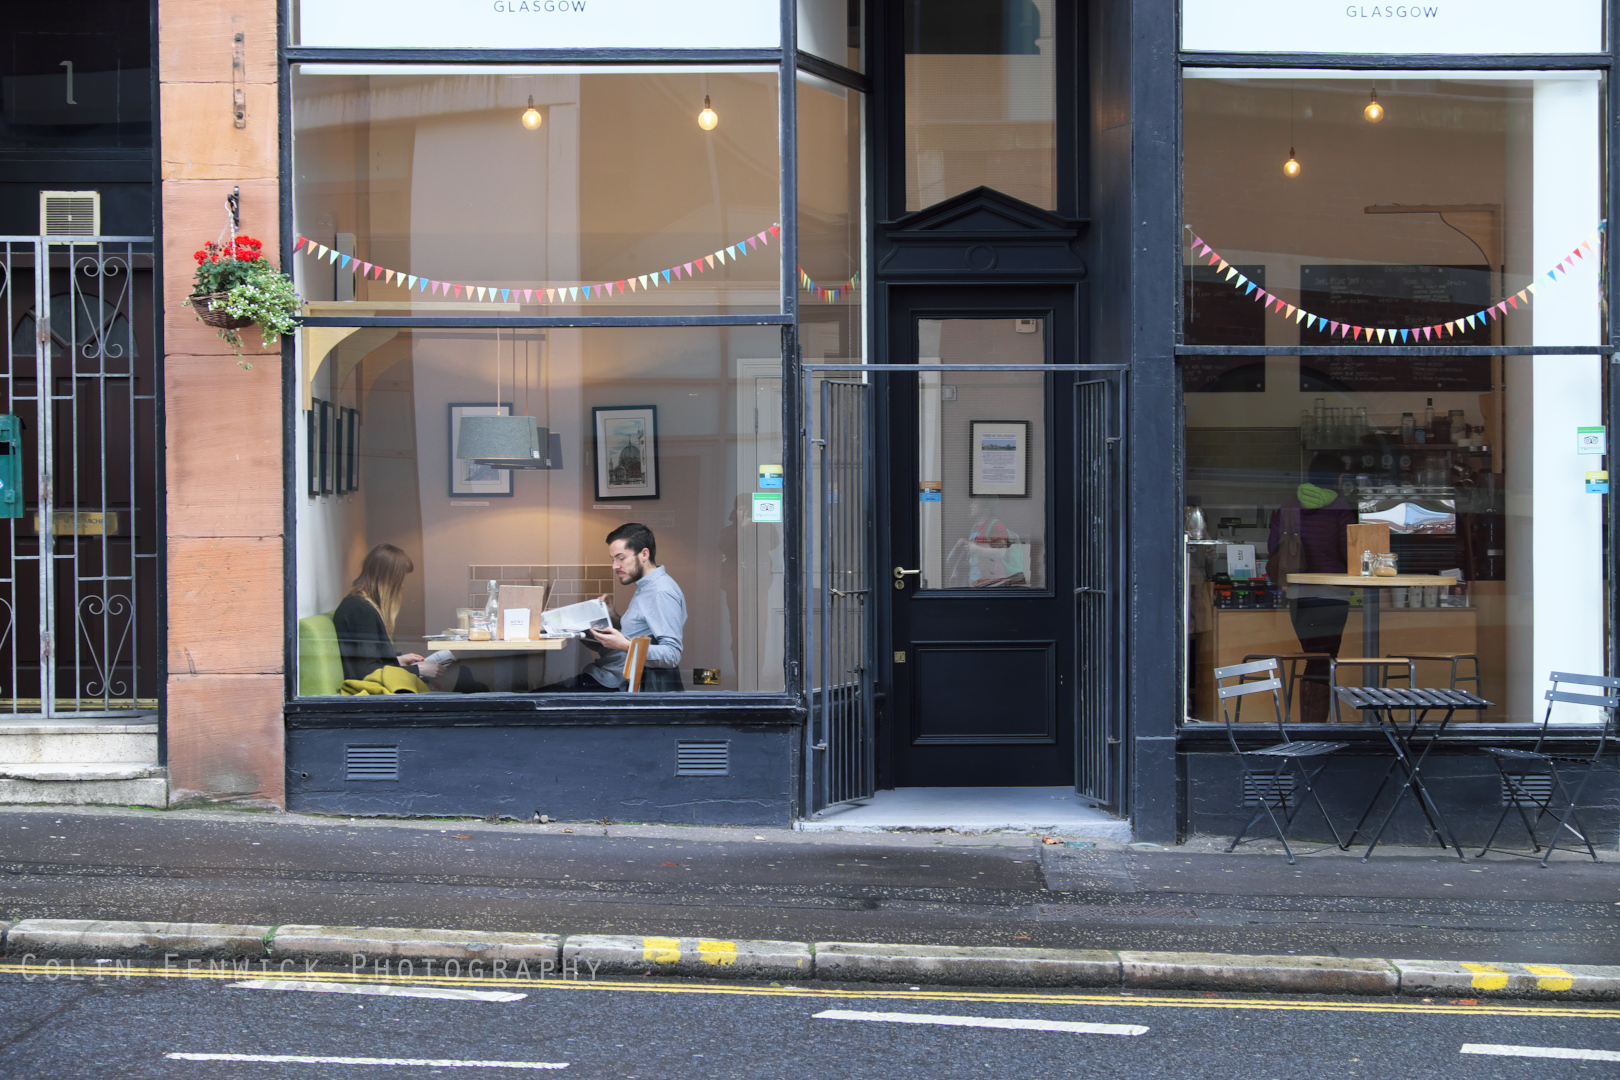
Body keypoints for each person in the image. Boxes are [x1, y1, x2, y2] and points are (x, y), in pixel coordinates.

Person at [545, 523, 687, 692]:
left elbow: (672, 655)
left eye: (621, 558)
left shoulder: (661, 592)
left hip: (615, 683)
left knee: (531, 701)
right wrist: (613, 617)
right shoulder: (646, 587)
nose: (615, 566)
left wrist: (626, 646)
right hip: (606, 674)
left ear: (644, 554)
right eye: (613, 559)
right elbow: (642, 631)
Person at [1267, 452, 1356, 722]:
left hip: (1298, 594)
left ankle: (1311, 727)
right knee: (1324, 660)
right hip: (1332, 595)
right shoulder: (1340, 507)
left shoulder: (1289, 506)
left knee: (1314, 658)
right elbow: (1349, 552)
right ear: (1335, 477)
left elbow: (1274, 549)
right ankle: (1315, 728)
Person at [333, 544, 443, 688]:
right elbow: (366, 673)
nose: (402, 585)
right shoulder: (361, 610)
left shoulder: (359, 604)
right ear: (389, 579)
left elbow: (366, 661)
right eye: (401, 578)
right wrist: (418, 670)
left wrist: (398, 660)